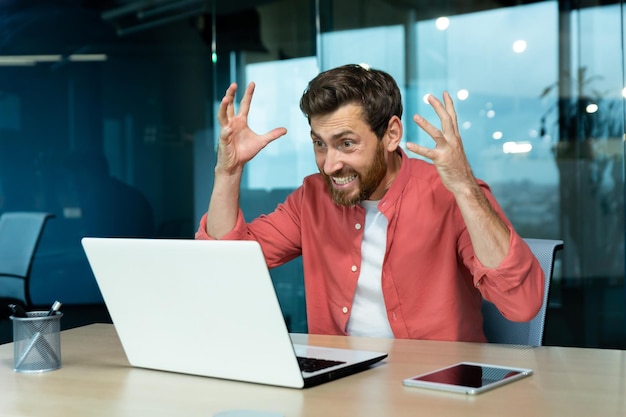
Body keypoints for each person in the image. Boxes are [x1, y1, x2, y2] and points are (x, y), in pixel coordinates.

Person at [195, 64, 544, 342]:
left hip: (436, 391)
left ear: (391, 134)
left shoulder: (449, 194)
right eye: (320, 144)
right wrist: (228, 171)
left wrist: (466, 189)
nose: (329, 164)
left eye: (346, 144)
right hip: (337, 388)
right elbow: (223, 264)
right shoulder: (312, 197)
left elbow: (522, 304)